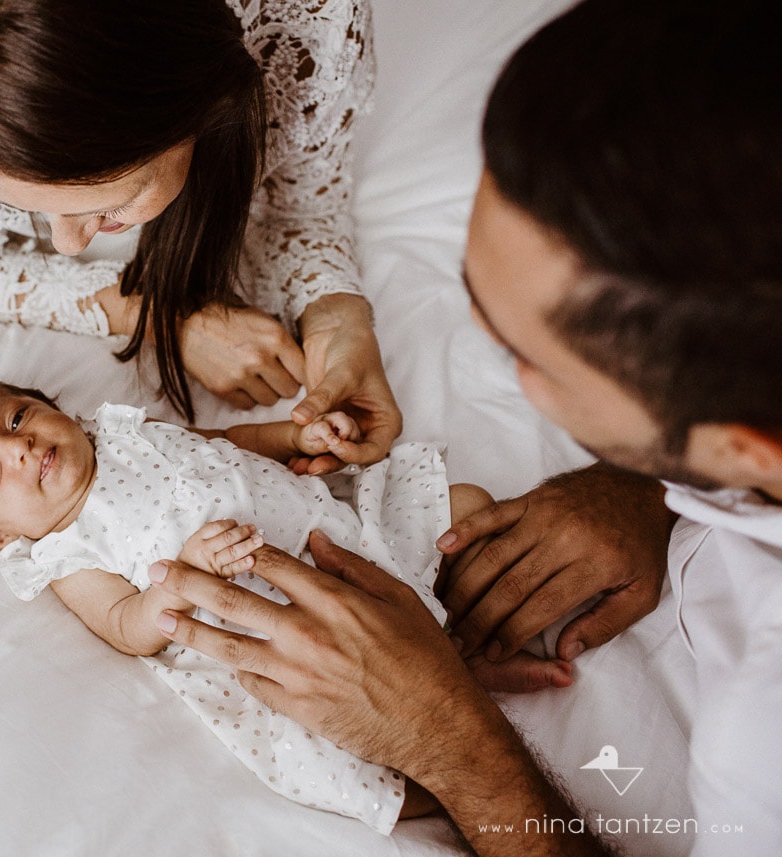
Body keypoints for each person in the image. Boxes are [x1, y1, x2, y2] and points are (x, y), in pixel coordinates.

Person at [142, 1, 782, 855]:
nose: (483, 347)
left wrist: (447, 734)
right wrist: (653, 484)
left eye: (526, 356)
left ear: (746, 446)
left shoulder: (762, 739)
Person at [0, 380, 565, 832]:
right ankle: (454, 782)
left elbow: (229, 442)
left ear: (54, 408)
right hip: (280, 627)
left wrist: (296, 439)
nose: (17, 448)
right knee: (348, 766)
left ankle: (467, 638)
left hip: (335, 536)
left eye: (16, 417)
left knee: (466, 506)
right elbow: (126, 626)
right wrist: (178, 575)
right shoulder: (63, 552)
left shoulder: (125, 431)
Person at [0, 0, 400, 470]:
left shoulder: (313, 21)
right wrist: (161, 317)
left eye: (112, 206)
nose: (68, 246)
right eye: (21, 203)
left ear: (201, 108)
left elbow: (304, 205)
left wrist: (340, 318)